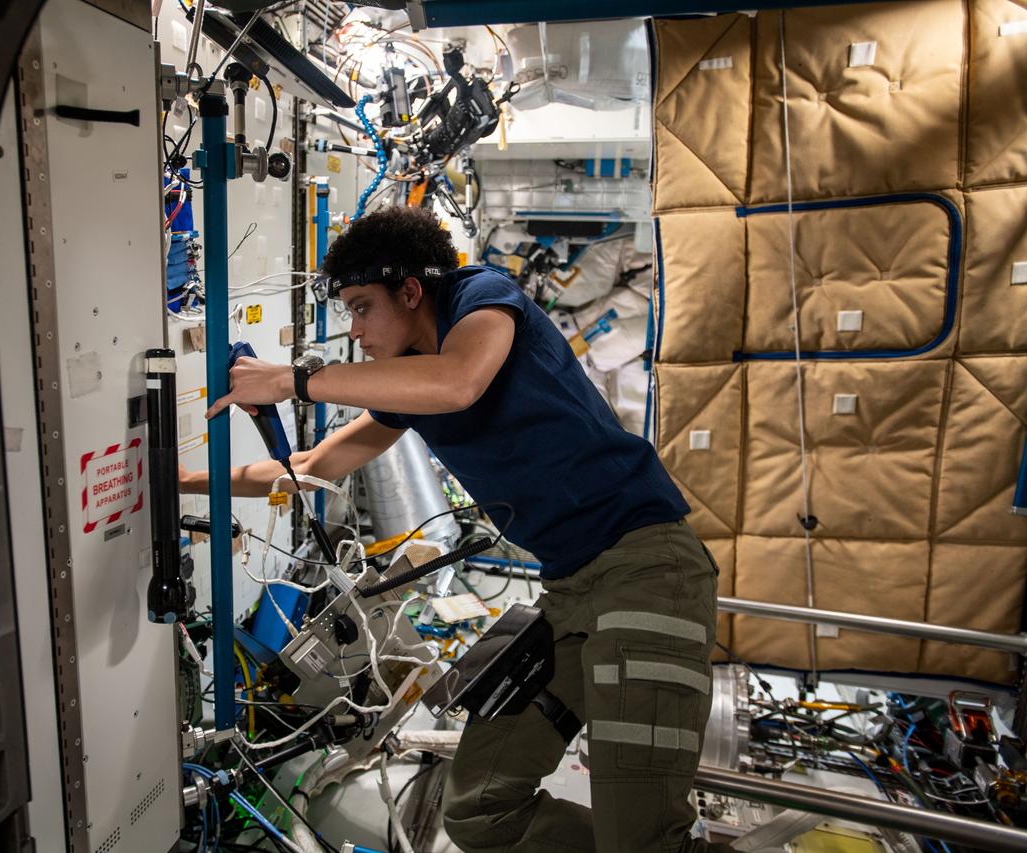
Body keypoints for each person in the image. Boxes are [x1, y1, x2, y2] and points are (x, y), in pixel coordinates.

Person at [181, 206, 723, 852]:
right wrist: (181, 479)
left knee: (644, 838)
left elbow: (459, 382)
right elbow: (310, 468)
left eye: (362, 308)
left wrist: (292, 380)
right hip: (571, 590)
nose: (355, 331)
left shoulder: (483, 294)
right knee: (478, 810)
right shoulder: (411, 386)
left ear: (412, 291)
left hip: (645, 571)